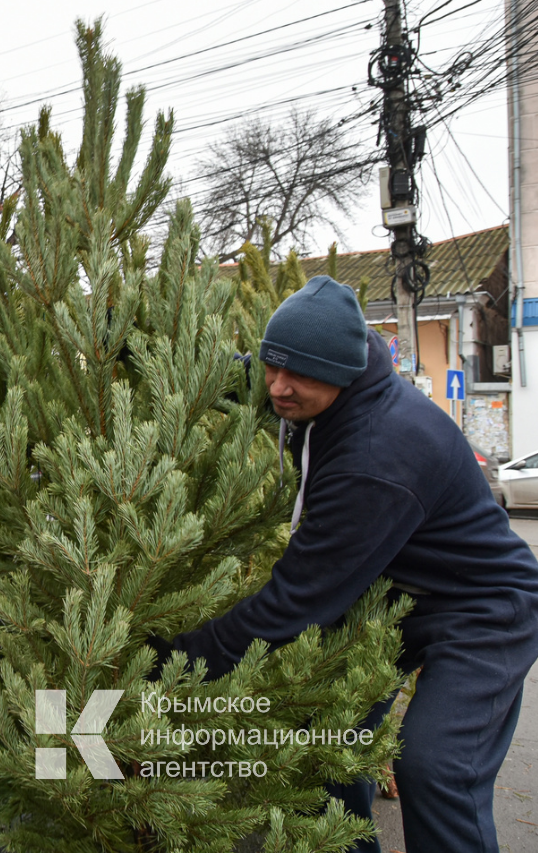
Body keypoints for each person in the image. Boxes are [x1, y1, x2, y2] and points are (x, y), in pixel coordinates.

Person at [159, 275, 538, 853]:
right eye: (272, 367)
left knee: (435, 767)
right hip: (395, 592)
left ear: (340, 371)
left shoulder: (376, 456)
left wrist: (173, 661)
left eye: (300, 375)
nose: (279, 389)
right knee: (332, 741)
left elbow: (294, 604)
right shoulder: (330, 372)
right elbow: (250, 372)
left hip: (484, 607)